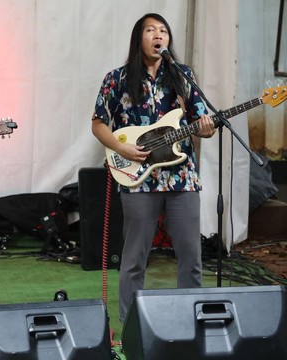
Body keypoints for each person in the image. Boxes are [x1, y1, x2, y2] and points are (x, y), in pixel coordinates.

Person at [91, 13, 216, 323]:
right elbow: (98, 123)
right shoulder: (117, 78)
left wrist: (206, 126)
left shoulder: (183, 75)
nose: (158, 35)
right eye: (151, 30)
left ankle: (193, 321)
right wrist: (121, 147)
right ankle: (131, 325)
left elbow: (204, 127)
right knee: (135, 259)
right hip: (138, 178)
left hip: (182, 176)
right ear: (139, 38)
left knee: (191, 256)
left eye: (163, 31)